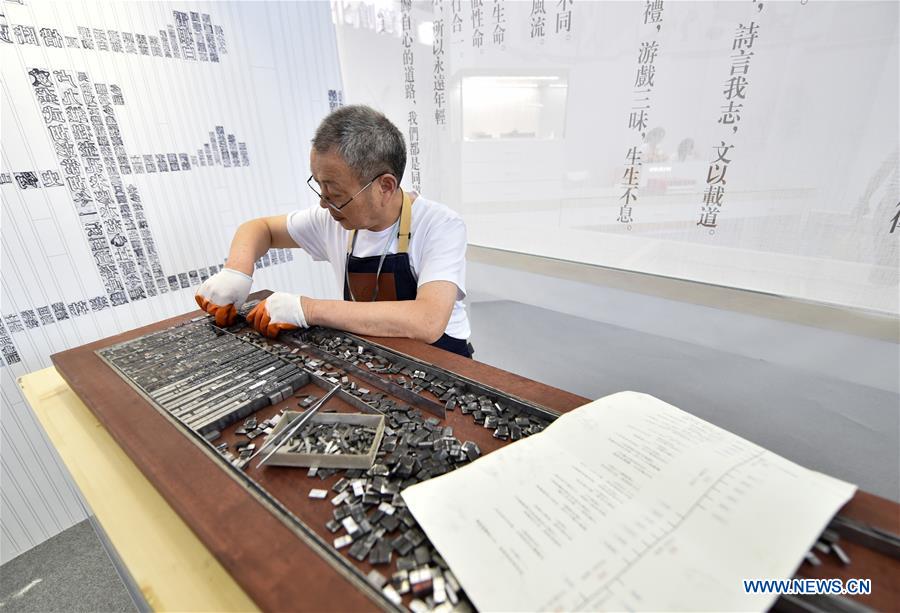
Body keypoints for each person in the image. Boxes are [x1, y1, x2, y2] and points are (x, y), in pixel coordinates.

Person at [195, 105, 473, 357]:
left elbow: (427, 321)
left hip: (443, 360)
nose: (323, 202)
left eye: (335, 192)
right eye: (319, 185)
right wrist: (236, 272)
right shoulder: (334, 218)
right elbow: (261, 229)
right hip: (376, 355)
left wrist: (307, 309)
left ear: (385, 186)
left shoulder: (440, 225)